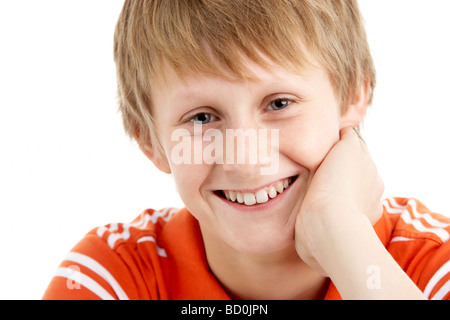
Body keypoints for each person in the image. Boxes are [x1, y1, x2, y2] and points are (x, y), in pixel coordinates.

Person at [43, 0, 450, 300]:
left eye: (279, 104)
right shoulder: (113, 278)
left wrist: (345, 237)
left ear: (351, 97)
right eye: (202, 118)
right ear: (150, 140)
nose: (246, 161)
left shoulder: (431, 264)